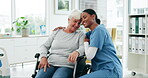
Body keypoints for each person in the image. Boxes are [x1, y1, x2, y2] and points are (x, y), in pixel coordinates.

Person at [35, 9, 85, 78]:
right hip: (50, 63)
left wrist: (77, 52)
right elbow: (44, 46)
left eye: (79, 23)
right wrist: (43, 57)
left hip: (66, 66)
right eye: (75, 21)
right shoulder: (57, 31)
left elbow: (83, 47)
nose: (76, 25)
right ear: (69, 20)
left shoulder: (80, 35)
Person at [79, 9, 122, 78]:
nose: (82, 21)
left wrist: (86, 42)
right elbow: (80, 36)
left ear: (93, 16)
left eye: (84, 17)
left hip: (110, 70)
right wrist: (63, 29)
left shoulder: (99, 30)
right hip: (102, 69)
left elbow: (89, 56)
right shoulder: (93, 32)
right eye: (81, 19)